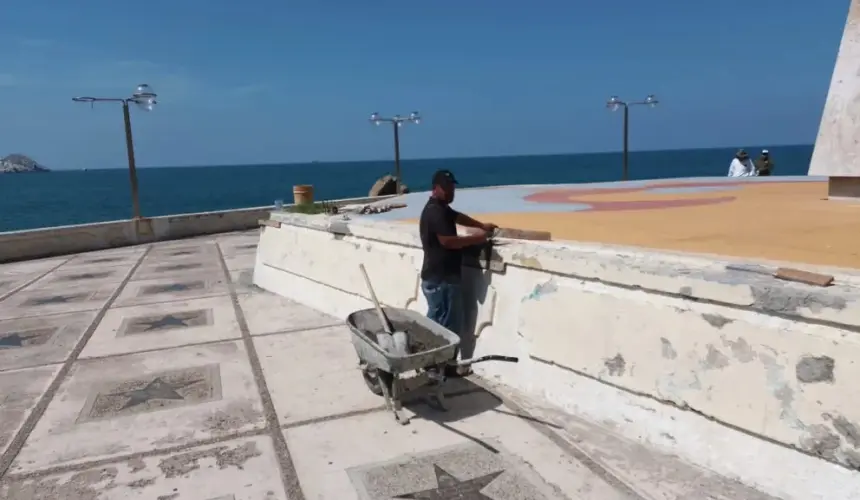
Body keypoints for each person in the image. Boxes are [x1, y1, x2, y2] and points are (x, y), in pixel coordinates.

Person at [419, 169, 497, 375]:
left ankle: (441, 365)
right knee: (443, 327)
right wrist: (478, 238)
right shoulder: (435, 212)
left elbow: (458, 217)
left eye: (452, 187)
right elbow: (448, 242)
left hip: (440, 277)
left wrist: (481, 225)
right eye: (446, 188)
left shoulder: (442, 209)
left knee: (441, 324)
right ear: (435, 189)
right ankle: (437, 367)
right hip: (441, 279)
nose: (451, 191)